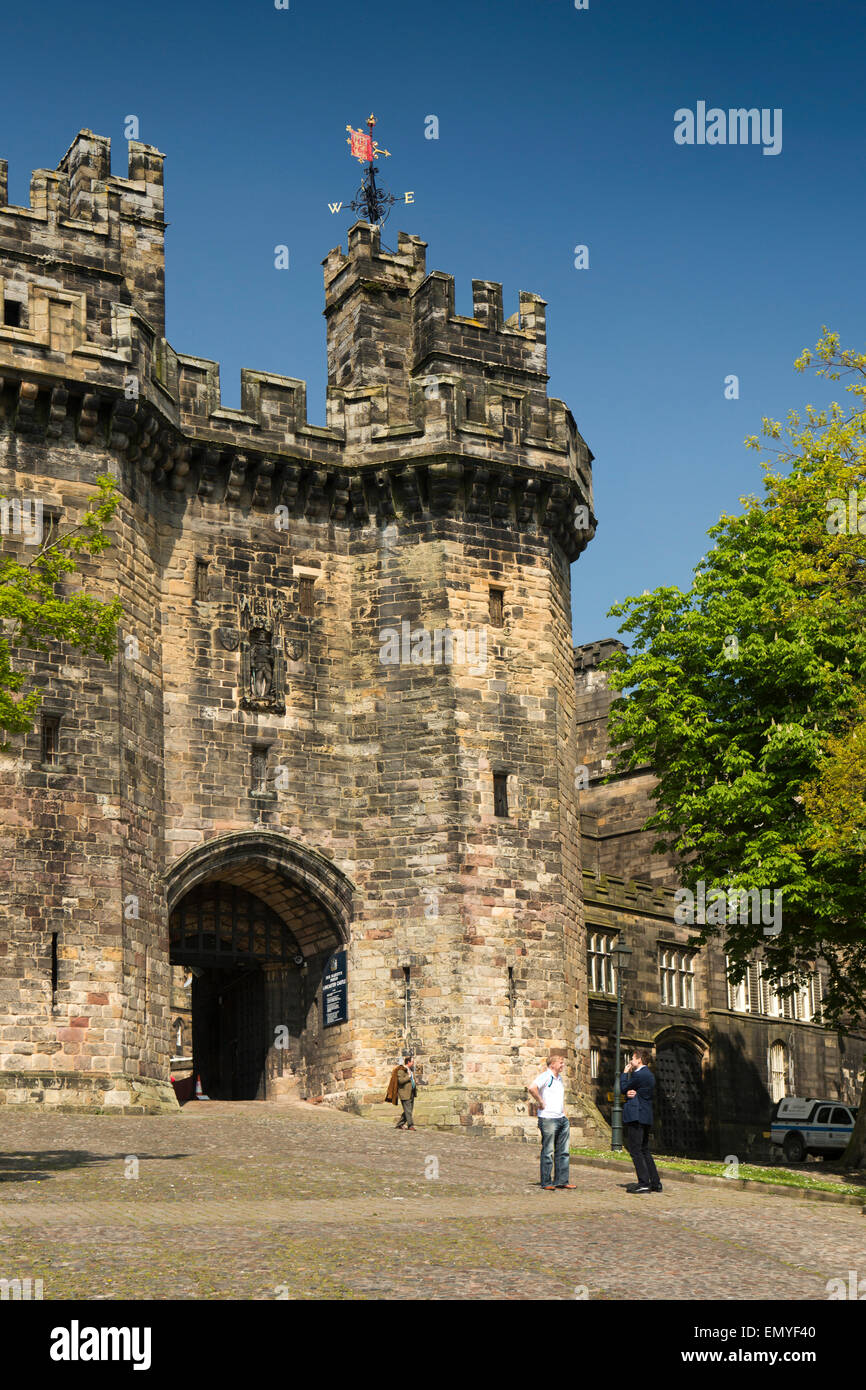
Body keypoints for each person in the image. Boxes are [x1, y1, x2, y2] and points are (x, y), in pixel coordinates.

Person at [527, 1054, 575, 1189]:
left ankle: (562, 1180)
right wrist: (541, 1102)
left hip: (561, 1119)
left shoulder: (559, 1079)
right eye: (561, 1062)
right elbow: (532, 1088)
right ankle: (546, 1182)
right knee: (548, 1151)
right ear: (552, 1064)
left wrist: (564, 1113)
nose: (563, 1065)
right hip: (548, 1119)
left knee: (563, 1151)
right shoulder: (546, 1076)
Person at [620, 1047, 662, 1194]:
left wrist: (625, 1074)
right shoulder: (648, 1075)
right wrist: (631, 1093)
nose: (631, 1061)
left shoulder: (639, 1075)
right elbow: (633, 1092)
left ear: (639, 1059)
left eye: (632, 1058)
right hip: (645, 1115)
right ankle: (655, 1183)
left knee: (636, 1150)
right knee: (644, 1150)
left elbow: (623, 1087)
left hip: (636, 1115)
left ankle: (644, 1183)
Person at [395, 1054, 417, 1130]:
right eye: (412, 1062)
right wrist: (408, 1076)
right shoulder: (401, 1070)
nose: (413, 1063)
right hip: (405, 1093)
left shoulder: (410, 1070)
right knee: (408, 1110)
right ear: (408, 1062)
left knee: (408, 1110)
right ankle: (410, 1125)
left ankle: (399, 1124)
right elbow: (400, 1081)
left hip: (411, 1092)